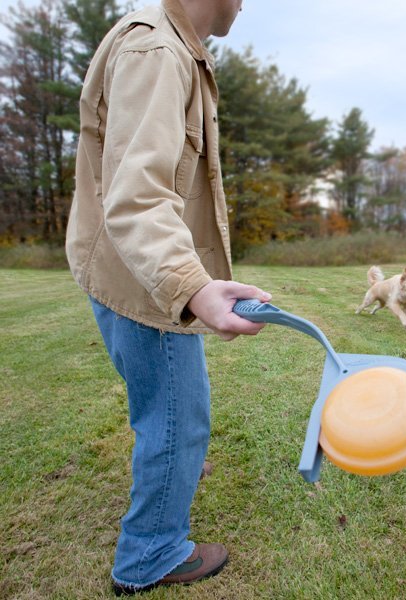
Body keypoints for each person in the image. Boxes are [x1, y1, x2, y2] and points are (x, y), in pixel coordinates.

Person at [65, 0, 271, 595]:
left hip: (130, 268)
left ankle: (172, 469)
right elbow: (137, 197)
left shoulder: (172, 46)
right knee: (180, 418)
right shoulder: (156, 52)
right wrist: (193, 286)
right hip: (144, 280)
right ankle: (150, 553)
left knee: (163, 407)